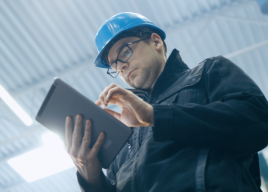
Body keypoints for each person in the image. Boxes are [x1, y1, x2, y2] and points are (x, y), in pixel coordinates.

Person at [64, 12, 268, 192]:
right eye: (115, 66)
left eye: (125, 52)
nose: (122, 67)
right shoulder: (125, 135)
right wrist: (92, 179)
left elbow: (257, 122)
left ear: (155, 41)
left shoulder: (209, 72)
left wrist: (155, 115)